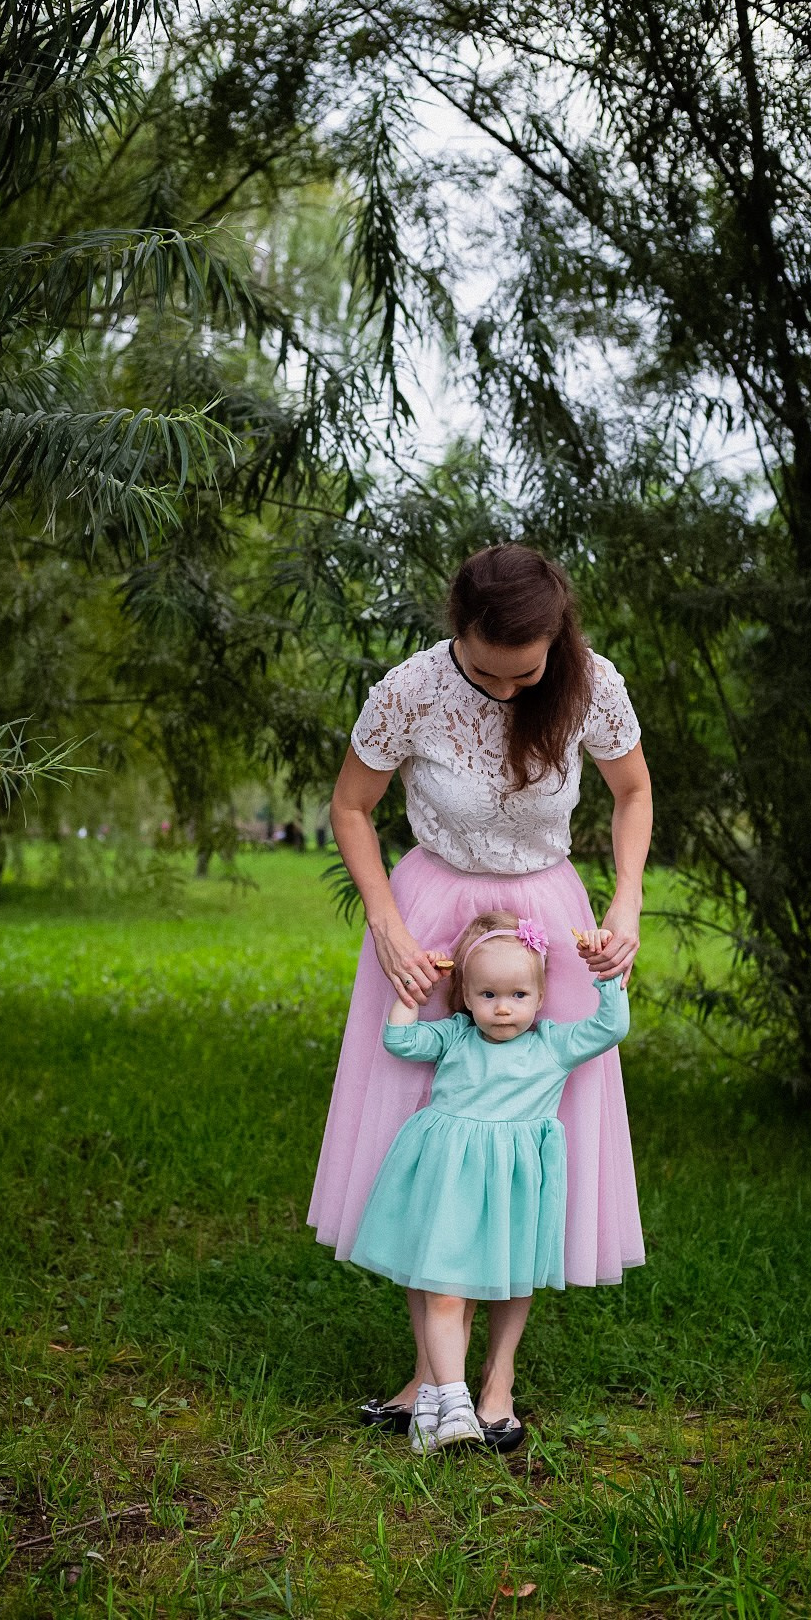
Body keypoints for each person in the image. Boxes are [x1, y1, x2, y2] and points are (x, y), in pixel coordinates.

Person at [308, 544, 651, 1435]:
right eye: (484, 671)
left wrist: (627, 900)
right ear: (454, 631)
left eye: (524, 672)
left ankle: (492, 1383)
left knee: (528, 1142)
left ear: (554, 640)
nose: (504, 691)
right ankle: (432, 1379)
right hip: (430, 915)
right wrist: (385, 921)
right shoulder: (408, 690)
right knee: (423, 1136)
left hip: (549, 922)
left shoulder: (590, 684)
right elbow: (351, 804)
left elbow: (633, 791)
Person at [350, 911, 629, 1452]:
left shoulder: (551, 1044)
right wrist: (412, 991)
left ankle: (483, 1388)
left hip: (511, 1188)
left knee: (505, 1273)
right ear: (466, 996)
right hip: (450, 1179)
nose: (503, 1008)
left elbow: (609, 1028)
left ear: (542, 995)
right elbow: (400, 1042)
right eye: (488, 995)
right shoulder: (456, 1035)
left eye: (520, 994)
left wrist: (605, 973)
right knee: (441, 1283)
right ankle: (444, 1397)